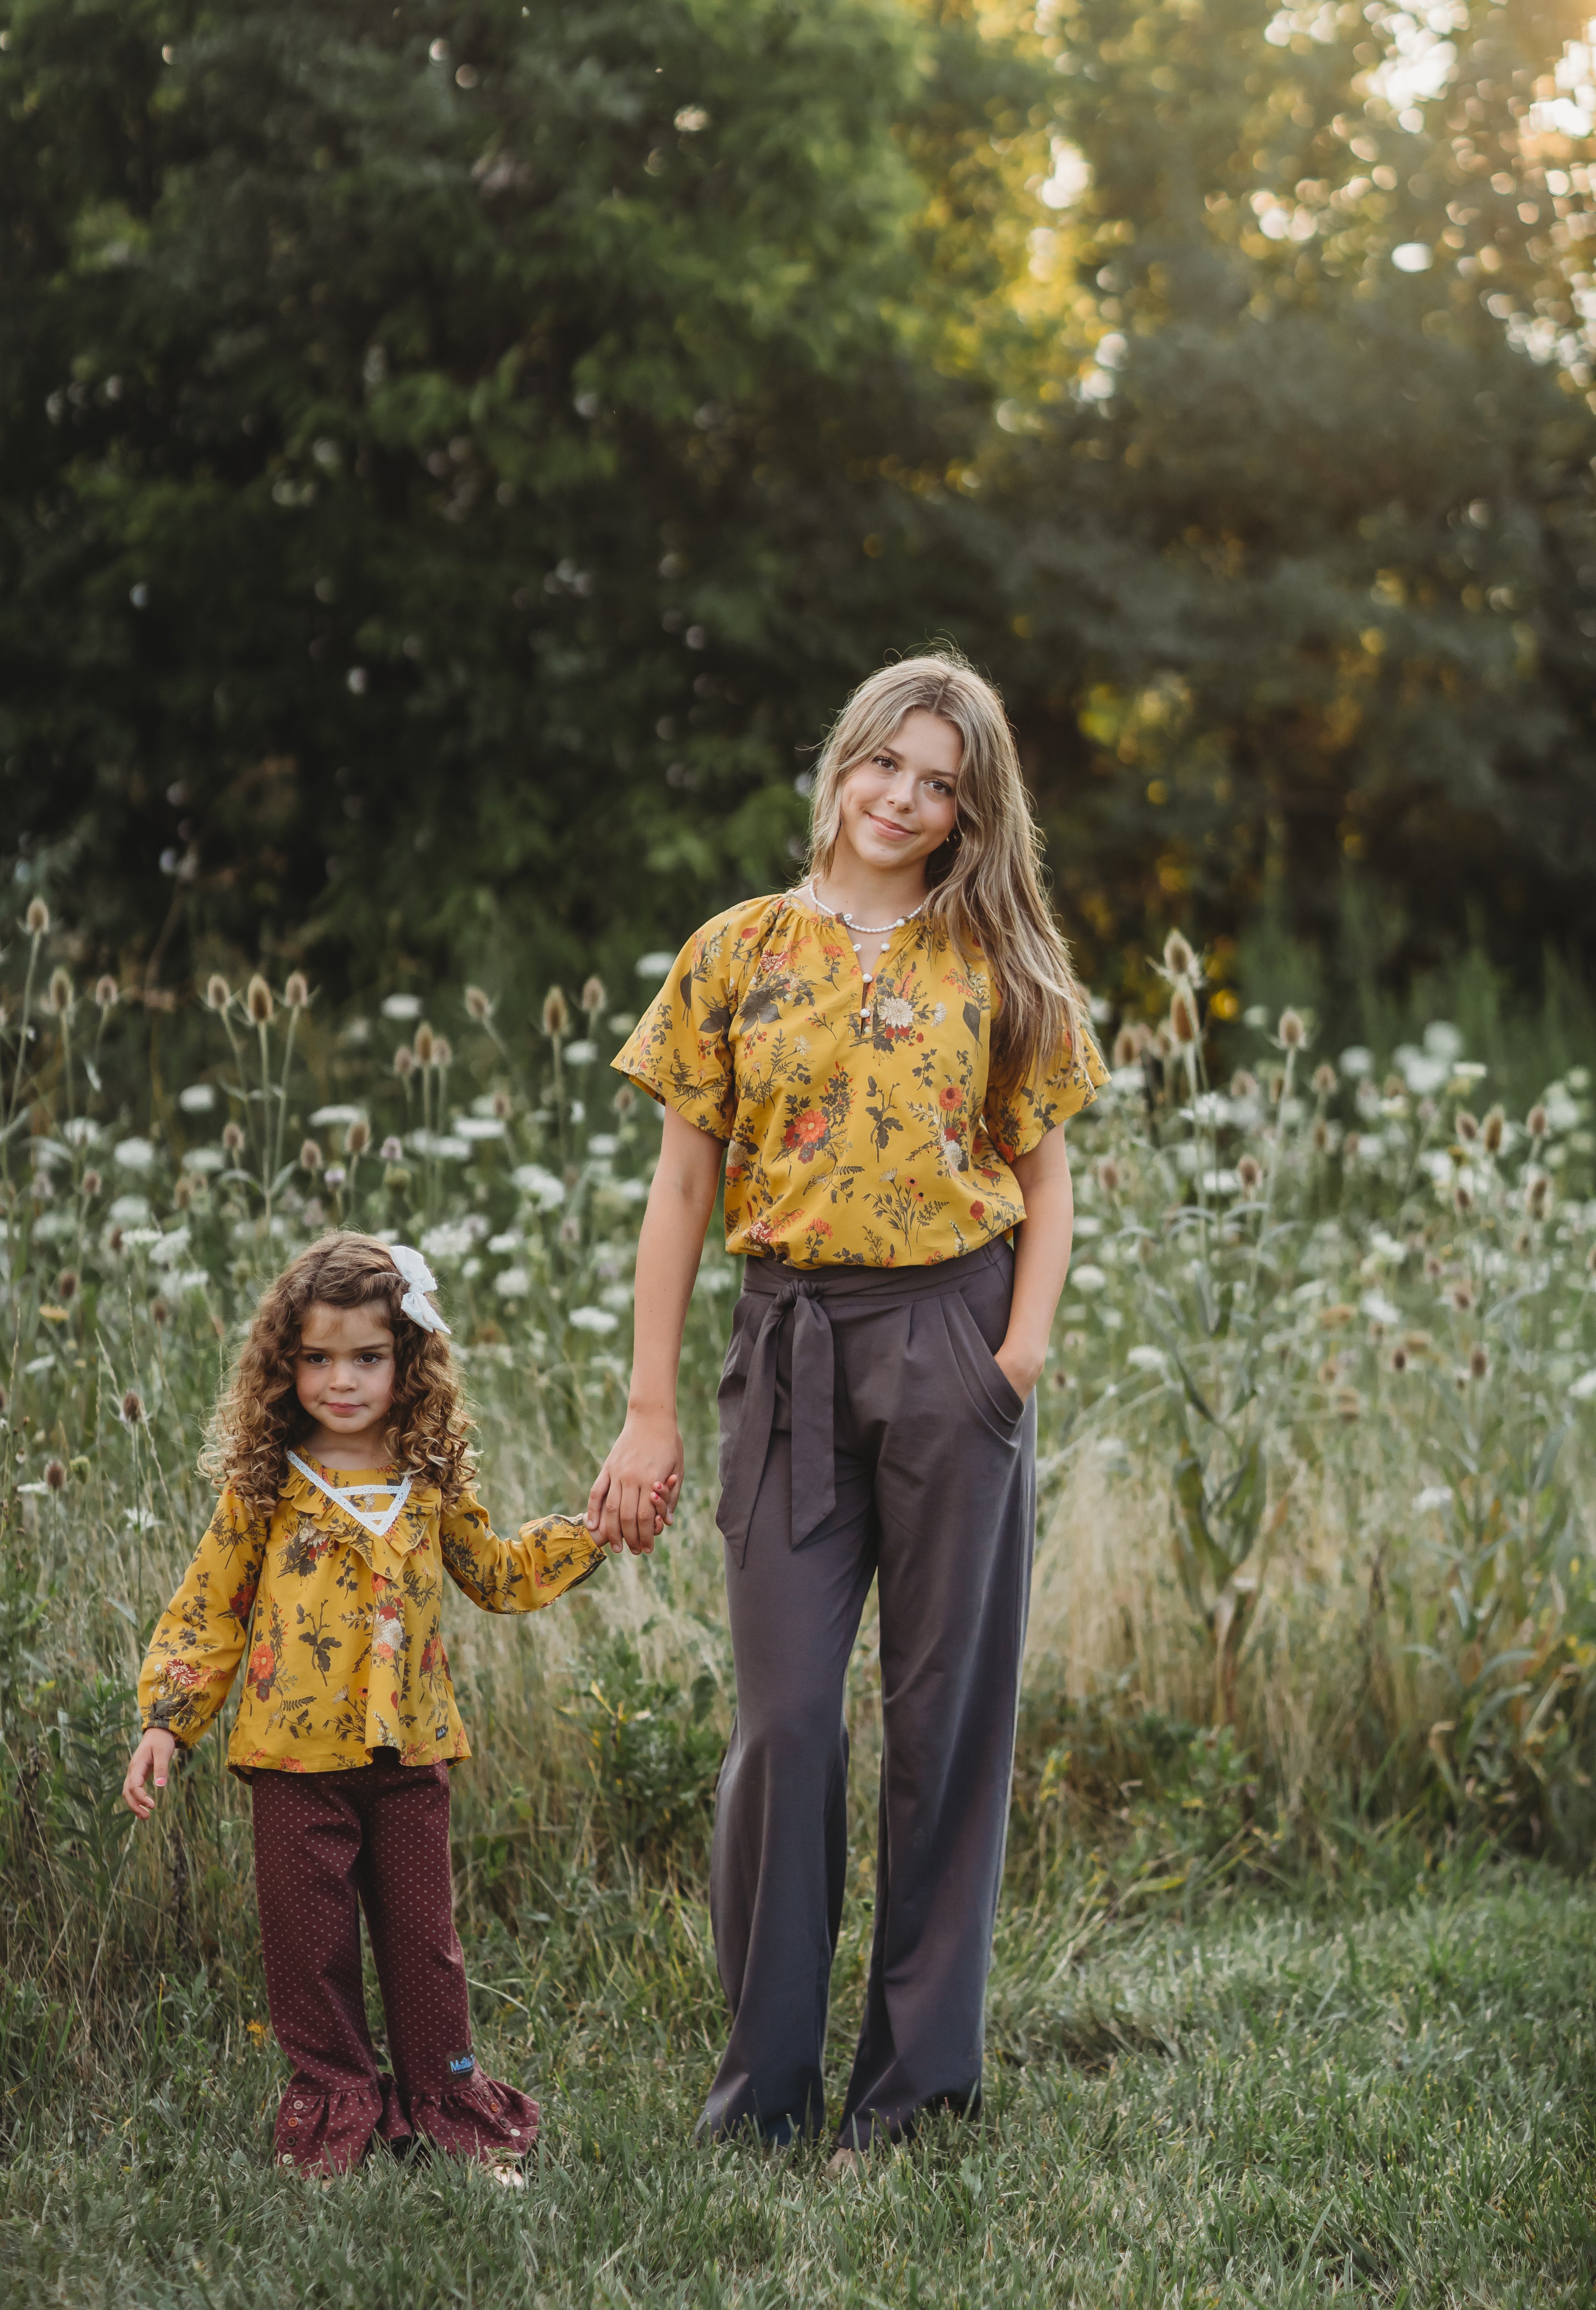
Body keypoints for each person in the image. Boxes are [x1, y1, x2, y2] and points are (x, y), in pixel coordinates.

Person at [588, 652, 1105, 2162]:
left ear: (967, 813)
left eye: (941, 783)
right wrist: (651, 1408)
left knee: (946, 1726)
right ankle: (766, 2091)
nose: (904, 798)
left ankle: (914, 2090)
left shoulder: (1002, 966)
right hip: (791, 1347)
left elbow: (1053, 1181)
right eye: (889, 763)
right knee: (788, 1722)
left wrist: (1015, 1360)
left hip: (955, 1340)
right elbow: (682, 1188)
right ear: (843, 762)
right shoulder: (735, 951)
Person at [122, 1231, 609, 2179]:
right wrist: (165, 1721)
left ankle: (450, 2106)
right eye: (316, 1357)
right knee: (310, 1957)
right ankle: (337, 2116)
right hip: (290, 1762)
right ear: (285, 1362)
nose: (340, 1379)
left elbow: (499, 1574)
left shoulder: (428, 1487)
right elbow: (208, 1608)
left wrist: (597, 1529)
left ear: (407, 1359)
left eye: (367, 1357)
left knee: (426, 1951)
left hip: (411, 1756)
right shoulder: (264, 1488)